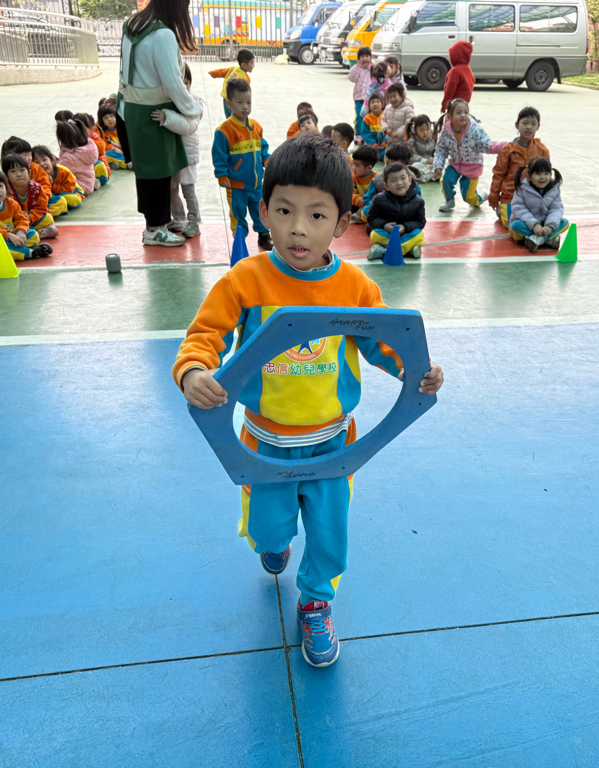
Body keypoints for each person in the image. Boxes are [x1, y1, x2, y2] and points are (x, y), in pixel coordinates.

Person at [173, 133, 443, 668]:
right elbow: (205, 334)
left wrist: (416, 371)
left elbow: (384, 339)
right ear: (263, 212)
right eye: (285, 211)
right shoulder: (246, 280)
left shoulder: (353, 287)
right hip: (264, 442)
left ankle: (316, 601)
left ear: (342, 223)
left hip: (333, 444)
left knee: (329, 534)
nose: (299, 227)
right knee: (269, 534)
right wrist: (194, 370)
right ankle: (272, 543)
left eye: (317, 215)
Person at [119, 0, 202, 247]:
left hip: (131, 108)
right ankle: (155, 229)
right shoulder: (163, 34)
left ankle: (153, 226)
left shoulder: (132, 25)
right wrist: (194, 108)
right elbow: (172, 82)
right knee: (159, 173)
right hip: (154, 111)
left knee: (146, 172)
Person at [212, 78, 272, 251]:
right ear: (229, 103)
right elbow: (219, 156)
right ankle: (239, 240)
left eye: (248, 102)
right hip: (236, 185)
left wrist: (267, 160)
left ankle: (264, 235)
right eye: (240, 103)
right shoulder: (224, 130)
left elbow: (262, 147)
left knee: (260, 210)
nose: (245, 107)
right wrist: (222, 176)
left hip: (256, 184)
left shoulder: (256, 126)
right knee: (238, 214)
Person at [153, 64, 205, 239]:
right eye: (179, 83)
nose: (184, 87)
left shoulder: (195, 103)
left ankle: (194, 222)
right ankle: (178, 219)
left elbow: (188, 126)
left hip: (187, 154)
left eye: (187, 82)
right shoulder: (168, 101)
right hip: (171, 154)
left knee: (188, 190)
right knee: (172, 189)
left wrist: (167, 116)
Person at [432, 99, 505, 212]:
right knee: (446, 180)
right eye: (459, 112)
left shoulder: (475, 130)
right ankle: (449, 200)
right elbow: (441, 150)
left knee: (469, 198)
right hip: (455, 164)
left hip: (472, 166)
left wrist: (506, 146)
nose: (463, 115)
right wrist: (438, 165)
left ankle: (480, 198)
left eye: (466, 112)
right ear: (450, 116)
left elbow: (488, 145)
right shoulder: (446, 131)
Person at [488, 106, 550, 231]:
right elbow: (498, 175)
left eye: (533, 124)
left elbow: (547, 177)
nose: (529, 127)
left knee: (546, 221)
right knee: (512, 225)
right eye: (525, 123)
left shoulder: (542, 150)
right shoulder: (507, 150)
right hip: (510, 197)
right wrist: (494, 198)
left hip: (533, 198)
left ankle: (536, 233)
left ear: (538, 127)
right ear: (517, 125)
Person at [0, 166, 52, 261]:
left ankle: (11, 251)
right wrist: (8, 235)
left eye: (0, 186)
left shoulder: (11, 203)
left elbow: (22, 219)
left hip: (14, 235)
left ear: (6, 188)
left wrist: (21, 231)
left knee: (33, 235)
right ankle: (29, 252)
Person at [367, 162, 426, 260]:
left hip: (406, 234)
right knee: (375, 234)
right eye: (393, 180)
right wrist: (384, 225)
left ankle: (383, 251)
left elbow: (420, 222)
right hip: (387, 234)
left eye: (403, 178)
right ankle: (408, 249)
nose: (399, 183)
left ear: (410, 180)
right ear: (386, 186)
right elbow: (372, 218)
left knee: (419, 235)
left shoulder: (418, 201)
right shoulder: (378, 199)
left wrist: (405, 227)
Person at [508, 156, 569, 253]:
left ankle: (538, 239)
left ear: (551, 174)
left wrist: (549, 227)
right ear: (529, 176)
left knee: (565, 223)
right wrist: (534, 225)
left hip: (545, 224)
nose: (543, 177)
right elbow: (518, 208)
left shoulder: (554, 189)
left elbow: (556, 209)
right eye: (538, 174)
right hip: (527, 224)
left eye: (546, 173)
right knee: (515, 225)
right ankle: (549, 239)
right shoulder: (522, 188)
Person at [360, 142, 421, 223]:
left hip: (403, 213)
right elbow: (368, 198)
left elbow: (417, 203)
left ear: (405, 166)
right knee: (366, 211)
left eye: (395, 166)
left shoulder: (412, 184)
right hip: (383, 211)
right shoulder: (377, 180)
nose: (389, 168)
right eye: (387, 163)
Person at [2, 153, 57, 240]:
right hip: (15, 222)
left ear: (29, 172)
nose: (19, 174)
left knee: (48, 218)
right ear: (6, 176)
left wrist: (30, 217)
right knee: (5, 225)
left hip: (32, 219)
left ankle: (31, 233)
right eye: (13, 171)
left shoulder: (37, 188)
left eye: (22, 170)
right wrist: (19, 216)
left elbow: (42, 208)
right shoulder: (5, 191)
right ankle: (35, 233)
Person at [32, 145, 84, 216]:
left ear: (52, 160)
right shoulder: (35, 176)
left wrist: (52, 185)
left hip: (72, 192)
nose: (42, 164)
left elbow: (69, 189)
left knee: (71, 199)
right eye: (37, 163)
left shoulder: (63, 171)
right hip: (55, 196)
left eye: (44, 160)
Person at [56, 120, 99, 202]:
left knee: (54, 186)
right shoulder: (85, 148)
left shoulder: (69, 158)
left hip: (82, 188)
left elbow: (57, 173)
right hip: (88, 182)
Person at [210, 48, 255, 119]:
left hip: (226, 99)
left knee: (229, 117)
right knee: (237, 118)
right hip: (235, 101)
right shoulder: (245, 78)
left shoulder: (233, 68)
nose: (253, 65)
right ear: (243, 65)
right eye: (251, 63)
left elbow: (222, 72)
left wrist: (212, 73)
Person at [74, 113, 111, 189]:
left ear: (92, 129)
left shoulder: (94, 137)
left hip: (99, 170)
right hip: (85, 171)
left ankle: (94, 181)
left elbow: (102, 149)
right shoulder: (73, 139)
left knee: (100, 164)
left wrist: (87, 139)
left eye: (82, 129)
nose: (79, 131)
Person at [441, 40, 475, 114]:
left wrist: (444, 106)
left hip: (454, 107)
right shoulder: (468, 69)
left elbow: (449, 91)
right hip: (464, 106)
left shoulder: (455, 71)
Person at [347, 46, 373, 139]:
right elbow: (351, 78)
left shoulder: (373, 68)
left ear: (371, 57)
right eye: (362, 56)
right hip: (359, 97)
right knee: (359, 116)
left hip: (370, 98)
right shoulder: (356, 68)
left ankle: (369, 135)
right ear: (358, 58)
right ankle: (358, 134)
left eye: (367, 56)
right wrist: (357, 67)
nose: (365, 58)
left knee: (370, 116)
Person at [97, 103, 130, 170]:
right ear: (101, 120)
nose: (109, 119)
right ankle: (127, 163)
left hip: (124, 151)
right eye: (105, 118)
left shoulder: (122, 128)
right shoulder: (101, 132)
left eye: (111, 116)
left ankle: (118, 163)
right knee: (106, 154)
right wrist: (113, 148)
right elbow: (103, 146)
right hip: (114, 153)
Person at [349, 144, 378, 221]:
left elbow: (377, 196)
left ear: (368, 168)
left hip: (368, 205)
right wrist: (358, 201)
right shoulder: (352, 178)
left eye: (357, 165)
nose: (353, 168)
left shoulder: (376, 178)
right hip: (357, 204)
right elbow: (350, 193)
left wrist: (364, 206)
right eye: (353, 164)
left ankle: (363, 215)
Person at [407, 114, 437, 183]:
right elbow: (411, 156)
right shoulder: (412, 140)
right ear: (415, 130)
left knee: (442, 166)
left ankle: (426, 176)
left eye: (428, 129)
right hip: (420, 163)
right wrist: (425, 161)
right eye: (421, 130)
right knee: (414, 167)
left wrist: (435, 159)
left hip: (431, 164)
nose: (425, 133)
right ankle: (431, 176)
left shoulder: (434, 138)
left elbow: (439, 152)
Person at [360, 93, 387, 159]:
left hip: (384, 146)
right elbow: (365, 133)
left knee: (386, 154)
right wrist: (373, 144)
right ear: (369, 106)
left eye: (378, 101)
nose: (375, 104)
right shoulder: (367, 119)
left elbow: (388, 132)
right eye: (372, 102)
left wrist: (384, 142)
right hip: (371, 146)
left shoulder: (386, 116)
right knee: (365, 153)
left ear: (382, 104)